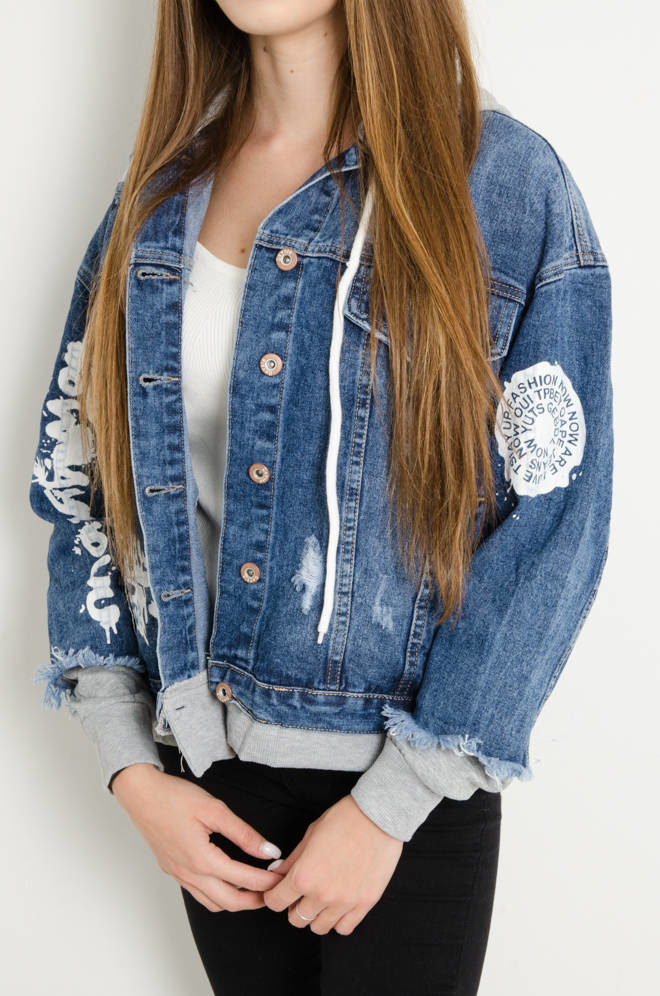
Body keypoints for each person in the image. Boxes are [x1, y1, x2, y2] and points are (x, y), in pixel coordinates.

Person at [28, 1, 613, 993]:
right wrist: (132, 767)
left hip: (410, 795)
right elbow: (82, 479)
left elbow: (557, 519)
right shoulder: (158, 199)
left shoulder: (506, 184)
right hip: (210, 788)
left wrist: (394, 804)